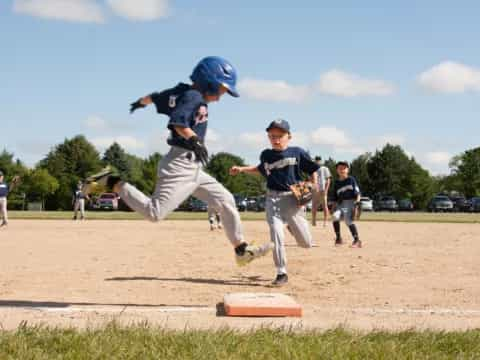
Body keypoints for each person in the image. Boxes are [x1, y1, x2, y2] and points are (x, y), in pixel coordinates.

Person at [82, 56, 271, 266]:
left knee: (226, 200)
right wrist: (195, 140)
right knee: (155, 213)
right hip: (180, 165)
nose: (219, 97)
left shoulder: (180, 92)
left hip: (193, 166)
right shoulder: (192, 97)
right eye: (220, 90)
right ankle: (110, 181)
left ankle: (241, 250)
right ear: (208, 82)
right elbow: (178, 122)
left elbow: (156, 97)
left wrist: (140, 102)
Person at [230, 119, 319, 286]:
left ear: (289, 136)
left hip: (294, 200)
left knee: (305, 243)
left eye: (280, 135)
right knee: (276, 234)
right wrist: (242, 169)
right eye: (272, 136)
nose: (276, 139)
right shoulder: (266, 155)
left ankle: (292, 226)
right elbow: (260, 169)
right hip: (273, 199)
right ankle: (281, 272)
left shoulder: (297, 152)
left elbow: (313, 170)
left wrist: (312, 185)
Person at [331, 161, 362, 248]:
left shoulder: (351, 179)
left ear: (348, 170)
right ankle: (338, 239)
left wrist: (357, 203)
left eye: (344, 168)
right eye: (340, 168)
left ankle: (357, 240)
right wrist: (333, 206)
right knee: (335, 216)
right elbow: (335, 197)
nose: (342, 170)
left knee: (348, 220)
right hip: (341, 204)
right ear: (337, 170)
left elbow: (358, 193)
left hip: (351, 202)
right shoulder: (337, 183)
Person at [311, 156, 332, 227]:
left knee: (324, 206)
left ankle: (325, 221)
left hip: (323, 190)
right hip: (315, 190)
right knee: (314, 206)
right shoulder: (313, 169)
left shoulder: (325, 168)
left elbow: (328, 180)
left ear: (321, 161)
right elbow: (311, 179)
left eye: (319, 160)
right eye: (316, 160)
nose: (317, 162)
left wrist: (326, 190)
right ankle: (313, 221)